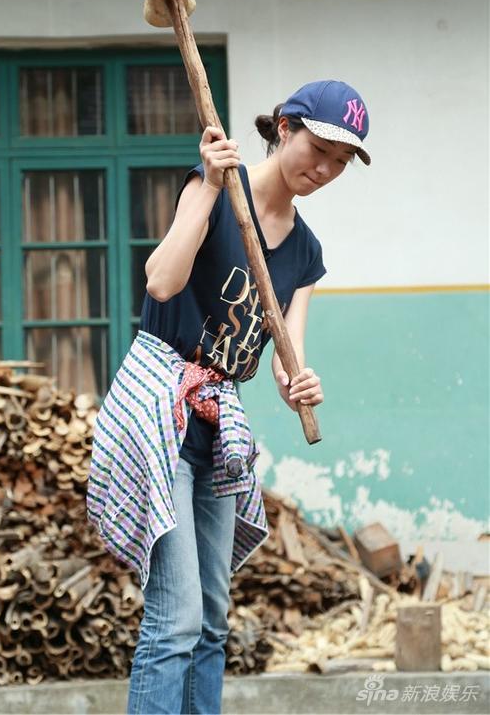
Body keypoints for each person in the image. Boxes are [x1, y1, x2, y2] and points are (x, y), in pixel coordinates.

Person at [87, 79, 371, 715]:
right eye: (317, 148)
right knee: (178, 617)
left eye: (339, 161)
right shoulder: (213, 184)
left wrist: (301, 382)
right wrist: (213, 188)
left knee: (213, 619)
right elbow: (160, 283)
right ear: (285, 127)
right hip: (160, 402)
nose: (323, 169)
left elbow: (285, 356)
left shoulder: (306, 252)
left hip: (219, 424)